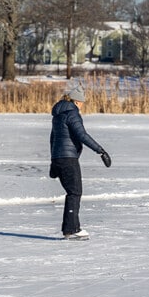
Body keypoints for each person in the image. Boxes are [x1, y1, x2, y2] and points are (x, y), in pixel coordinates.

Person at [50, 84, 111, 240]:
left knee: (72, 192)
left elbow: (53, 139)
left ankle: (70, 228)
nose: (83, 105)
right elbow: (82, 135)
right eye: (82, 102)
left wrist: (53, 160)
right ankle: (72, 230)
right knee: (75, 192)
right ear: (76, 101)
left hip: (60, 157)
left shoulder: (58, 114)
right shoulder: (72, 113)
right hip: (68, 159)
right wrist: (101, 151)